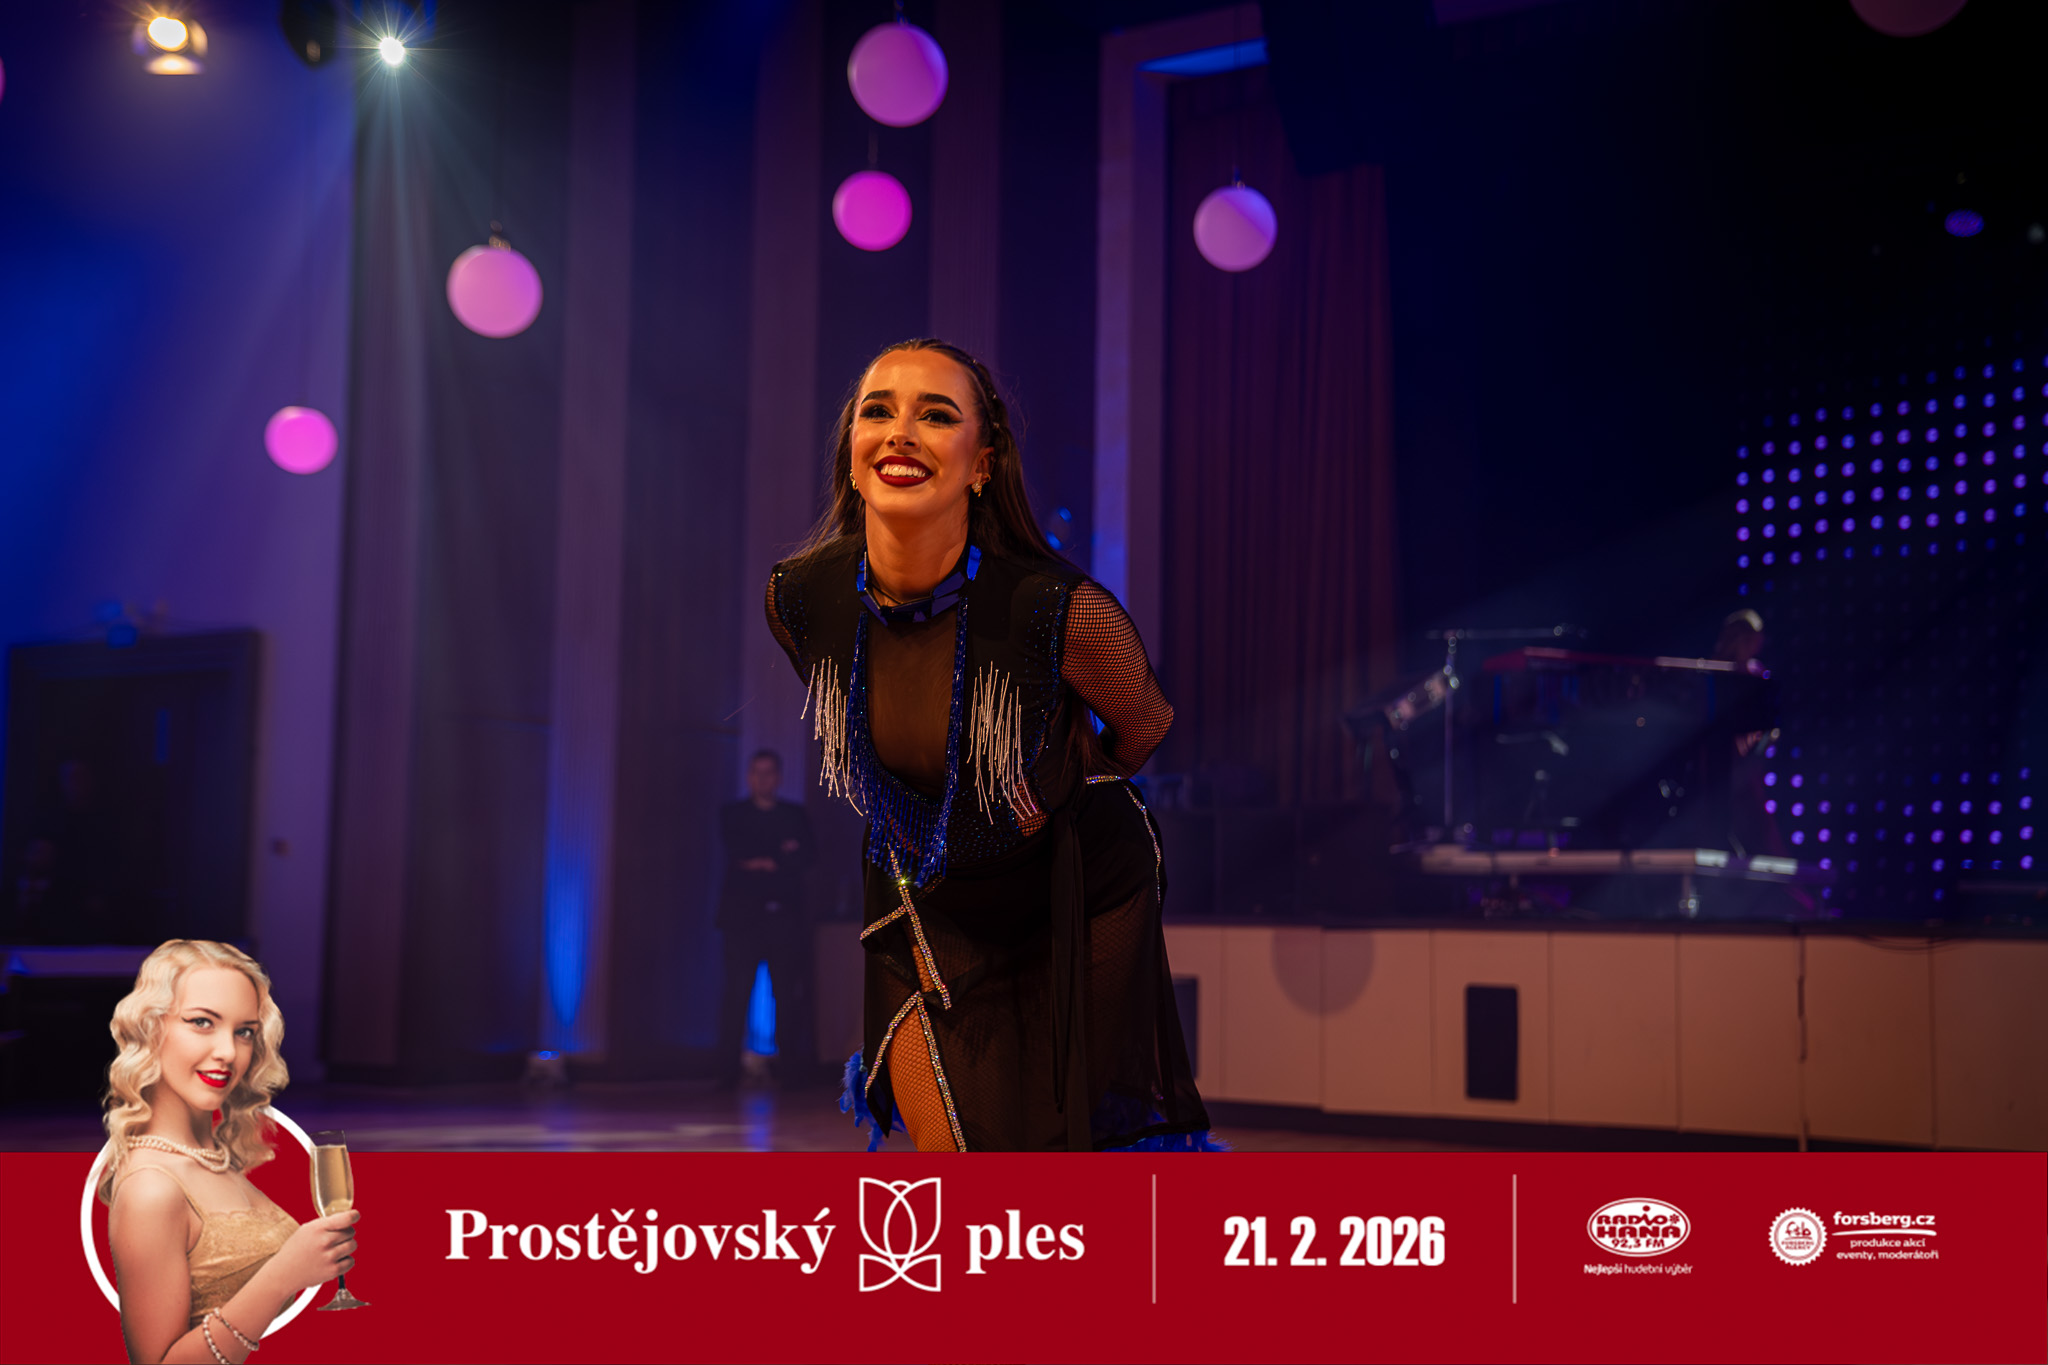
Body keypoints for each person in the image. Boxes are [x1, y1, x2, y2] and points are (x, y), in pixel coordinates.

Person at [763, 338, 1212, 1151]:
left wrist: (1055, 786)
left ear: (982, 464)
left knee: (1047, 1159)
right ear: (853, 454)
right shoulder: (798, 599)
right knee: (958, 1164)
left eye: (936, 416)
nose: (900, 432)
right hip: (920, 893)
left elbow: (1145, 725)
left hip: (1073, 890)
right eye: (877, 411)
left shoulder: (1056, 608)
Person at [100, 941, 358, 1365]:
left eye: (244, 1032)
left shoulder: (216, 1157)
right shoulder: (152, 1189)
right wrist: (282, 1275)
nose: (227, 1052)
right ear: (150, 1027)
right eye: (202, 1022)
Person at [715, 749, 817, 1085]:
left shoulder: (794, 815)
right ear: (749, 777)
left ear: (779, 777)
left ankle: (790, 1072)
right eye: (757, 772)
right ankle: (727, 1073)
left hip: (784, 919)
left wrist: (772, 860)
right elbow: (740, 852)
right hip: (742, 920)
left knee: (787, 994)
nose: (762, 779)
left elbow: (805, 858)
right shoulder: (734, 814)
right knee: (736, 993)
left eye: (769, 772)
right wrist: (780, 854)